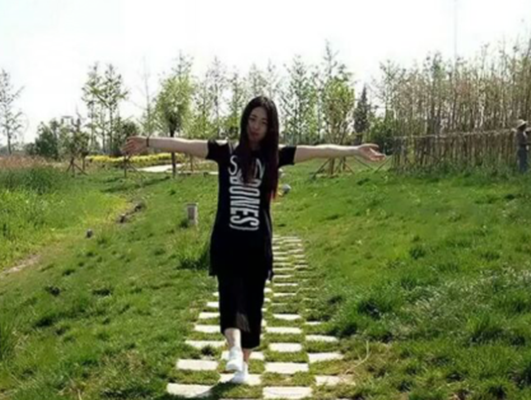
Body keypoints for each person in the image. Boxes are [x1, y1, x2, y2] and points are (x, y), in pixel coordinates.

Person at [122, 96, 385, 384]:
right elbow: (184, 144)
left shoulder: (275, 156)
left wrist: (355, 149)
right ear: (245, 119)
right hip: (227, 243)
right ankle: (234, 349)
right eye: (252, 119)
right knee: (230, 300)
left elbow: (318, 151)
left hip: (257, 246)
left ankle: (243, 366)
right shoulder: (226, 151)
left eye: (263, 122)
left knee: (253, 305)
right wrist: (148, 141)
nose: (256, 126)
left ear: (271, 127)